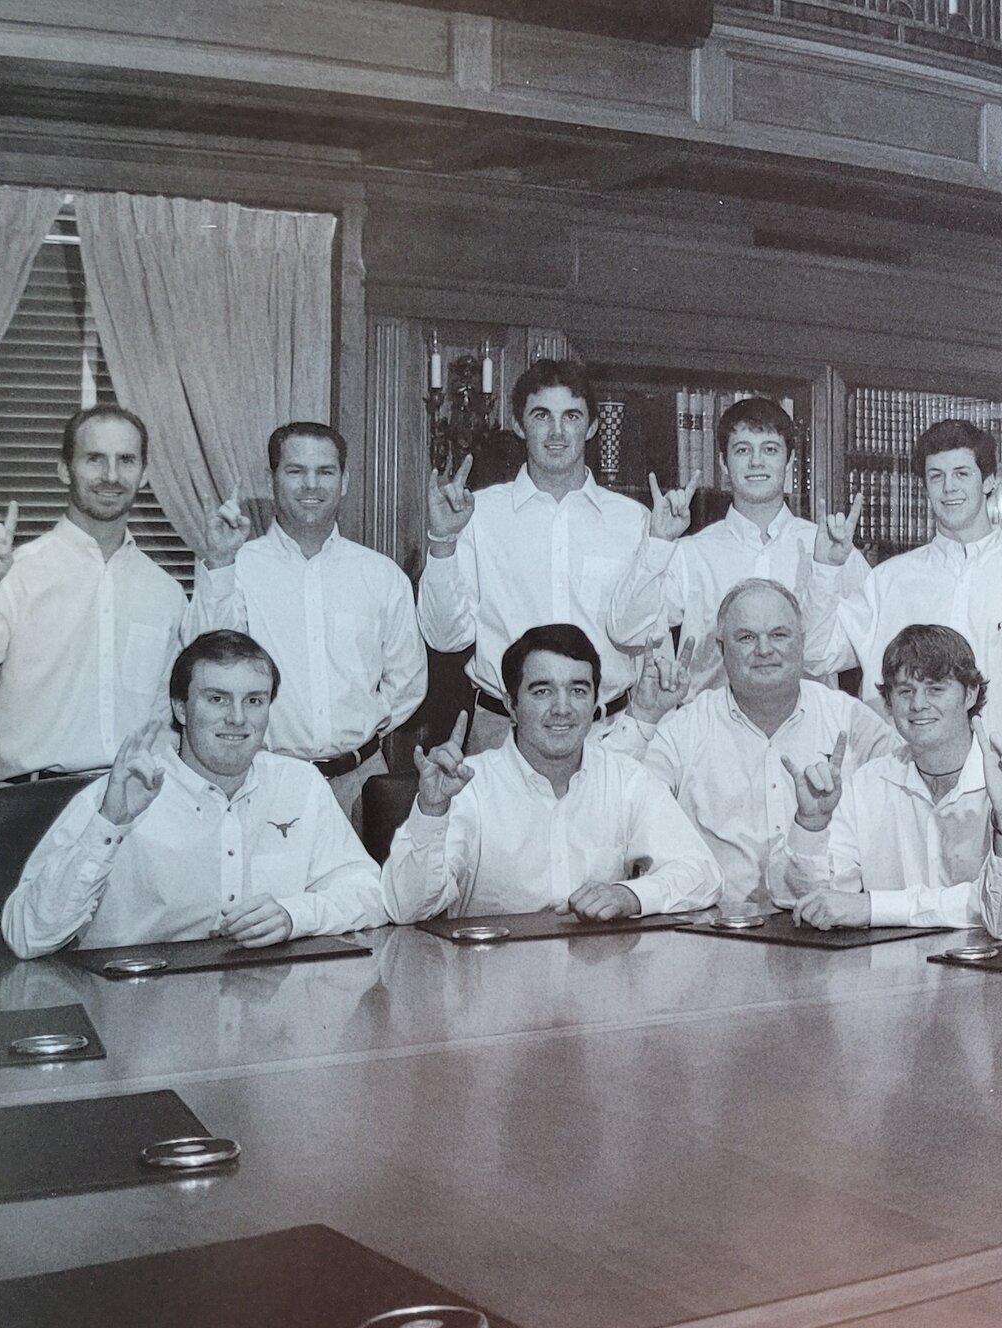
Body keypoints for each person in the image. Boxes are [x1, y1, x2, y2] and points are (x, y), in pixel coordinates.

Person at [0, 630, 385, 957]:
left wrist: (294, 915)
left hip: (264, 1007)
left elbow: (369, 893)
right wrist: (109, 823)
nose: (237, 718)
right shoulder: (119, 794)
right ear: (181, 709)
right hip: (137, 1011)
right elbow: (27, 936)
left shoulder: (301, 785)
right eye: (217, 699)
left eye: (254, 700)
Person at [0, 405, 187, 782]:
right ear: (63, 469)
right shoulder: (13, 575)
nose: (111, 475)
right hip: (29, 808)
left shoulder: (166, 592)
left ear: (144, 473)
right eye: (94, 459)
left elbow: (168, 716)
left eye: (126, 460)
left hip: (137, 802)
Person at [383, 624, 722, 921]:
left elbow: (703, 874)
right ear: (510, 705)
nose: (562, 708)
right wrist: (431, 812)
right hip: (492, 982)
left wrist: (631, 896)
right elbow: (407, 910)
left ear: (593, 704)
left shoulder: (627, 779)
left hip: (599, 980)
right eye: (542, 691)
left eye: (578, 690)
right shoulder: (468, 785)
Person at [608, 578, 901, 908]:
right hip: (713, 936)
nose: (764, 650)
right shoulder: (686, 728)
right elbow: (617, 809)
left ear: (802, 642)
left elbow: (913, 783)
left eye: (779, 635)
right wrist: (645, 716)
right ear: (721, 650)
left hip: (831, 931)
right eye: (746, 637)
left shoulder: (849, 719)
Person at [185, 422, 424, 818]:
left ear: (344, 481)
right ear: (272, 479)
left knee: (367, 881)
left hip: (362, 783)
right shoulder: (236, 566)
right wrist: (221, 563)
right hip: (265, 780)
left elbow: (409, 681)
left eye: (325, 472)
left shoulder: (380, 575)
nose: (311, 485)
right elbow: (203, 662)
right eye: (295, 471)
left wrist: (360, 727)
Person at [418, 358, 655, 752]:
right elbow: (445, 638)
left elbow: (650, 641)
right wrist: (442, 541)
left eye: (572, 416)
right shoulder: (477, 516)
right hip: (501, 733)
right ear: (518, 424)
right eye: (542, 415)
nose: (558, 432)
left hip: (608, 737)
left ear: (593, 427)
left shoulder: (633, 522)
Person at [805, 418, 1002, 741]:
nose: (949, 488)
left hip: (998, 779)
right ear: (925, 487)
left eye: (962, 474)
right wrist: (825, 569)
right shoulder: (888, 580)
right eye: (936, 476)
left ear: (989, 482)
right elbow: (817, 654)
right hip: (898, 777)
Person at [783, 623, 1002, 936]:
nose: (918, 705)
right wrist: (811, 825)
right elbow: (818, 902)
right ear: (889, 703)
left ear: (970, 694)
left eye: (935, 689)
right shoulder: (868, 783)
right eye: (905, 691)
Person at [610, 395, 868, 693]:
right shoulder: (691, 553)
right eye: (743, 450)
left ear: (790, 460)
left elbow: (871, 645)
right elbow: (626, 632)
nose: (756, 461)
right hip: (713, 732)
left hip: (807, 732)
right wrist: (659, 543)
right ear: (722, 461)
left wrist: (825, 576)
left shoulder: (831, 549)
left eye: (770, 449)